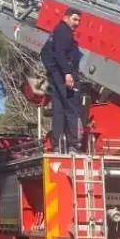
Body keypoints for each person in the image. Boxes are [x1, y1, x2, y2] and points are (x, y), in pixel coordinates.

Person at [40, 8, 84, 153]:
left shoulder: (57, 31)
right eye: (74, 19)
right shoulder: (64, 33)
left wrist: (53, 71)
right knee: (72, 108)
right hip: (63, 75)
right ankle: (74, 144)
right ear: (66, 18)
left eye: (78, 20)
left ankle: (57, 144)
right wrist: (67, 73)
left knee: (58, 110)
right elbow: (60, 53)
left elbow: (46, 53)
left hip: (54, 75)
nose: (77, 23)